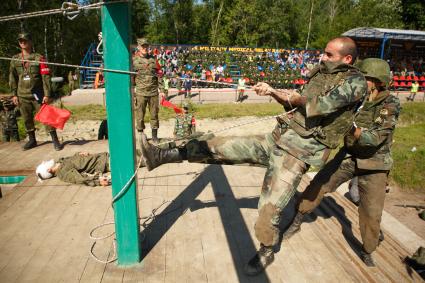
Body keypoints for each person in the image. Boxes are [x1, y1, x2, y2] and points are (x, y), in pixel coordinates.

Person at [140, 37, 367, 275]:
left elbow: (317, 105)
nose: (323, 57)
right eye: (324, 53)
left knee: (269, 207)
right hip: (278, 138)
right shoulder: (319, 73)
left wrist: (290, 96)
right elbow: (293, 105)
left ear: (347, 58)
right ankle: (163, 155)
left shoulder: (354, 82)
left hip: (299, 153)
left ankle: (267, 248)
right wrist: (272, 92)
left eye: (330, 55)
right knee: (220, 146)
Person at [282, 58, 400, 267]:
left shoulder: (389, 104)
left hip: (375, 163)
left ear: (379, 81)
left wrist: (351, 127)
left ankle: (367, 249)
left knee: (371, 213)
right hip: (348, 155)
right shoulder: (356, 97)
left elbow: (374, 138)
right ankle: (297, 219)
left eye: (367, 79)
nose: (362, 82)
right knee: (317, 185)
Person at [9, 32, 63, 151]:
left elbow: (46, 78)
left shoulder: (39, 58)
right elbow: (12, 78)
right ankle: (32, 140)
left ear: (30, 42)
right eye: (20, 41)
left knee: (46, 117)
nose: (22, 42)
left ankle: (55, 139)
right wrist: (14, 94)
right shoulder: (15, 59)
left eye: (25, 40)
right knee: (27, 118)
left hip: (37, 95)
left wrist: (47, 94)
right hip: (22, 95)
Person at [36, 151, 145, 186]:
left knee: (139, 151)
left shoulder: (60, 161)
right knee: (143, 158)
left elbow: (74, 159)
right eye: (45, 164)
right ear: (49, 170)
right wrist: (98, 181)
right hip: (108, 162)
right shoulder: (63, 174)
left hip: (105, 155)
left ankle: (159, 151)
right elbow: (80, 179)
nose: (45, 162)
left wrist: (79, 153)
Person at [133, 38, 164, 144]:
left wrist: (162, 89)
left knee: (154, 115)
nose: (145, 48)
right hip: (141, 92)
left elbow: (159, 75)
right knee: (140, 115)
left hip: (153, 92)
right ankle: (141, 135)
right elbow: (130, 77)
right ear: (138, 47)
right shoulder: (134, 60)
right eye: (143, 46)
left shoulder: (153, 60)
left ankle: (154, 136)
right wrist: (132, 90)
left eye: (146, 46)